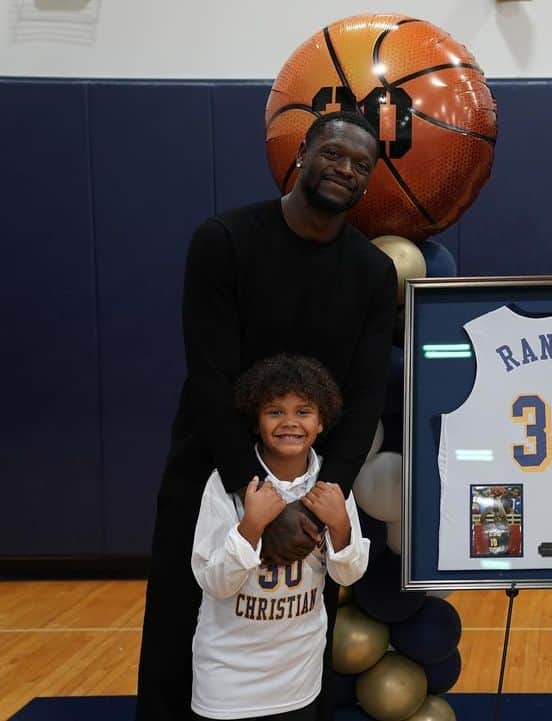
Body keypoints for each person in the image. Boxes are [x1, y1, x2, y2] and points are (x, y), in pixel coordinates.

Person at [137, 110, 398, 721]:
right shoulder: (224, 241)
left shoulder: (371, 271)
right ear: (301, 153)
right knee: (182, 631)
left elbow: (361, 400)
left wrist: (317, 495)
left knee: (294, 640)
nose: (346, 171)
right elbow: (208, 376)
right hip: (215, 469)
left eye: (362, 165)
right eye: (334, 154)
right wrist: (256, 501)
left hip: (308, 488)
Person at [191, 354, 370, 721]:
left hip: (298, 676)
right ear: (256, 422)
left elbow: (348, 576)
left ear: (322, 422)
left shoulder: (331, 489)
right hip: (228, 678)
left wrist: (340, 525)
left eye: (303, 412)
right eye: (275, 412)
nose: (289, 422)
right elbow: (214, 582)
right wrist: (251, 527)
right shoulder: (225, 486)